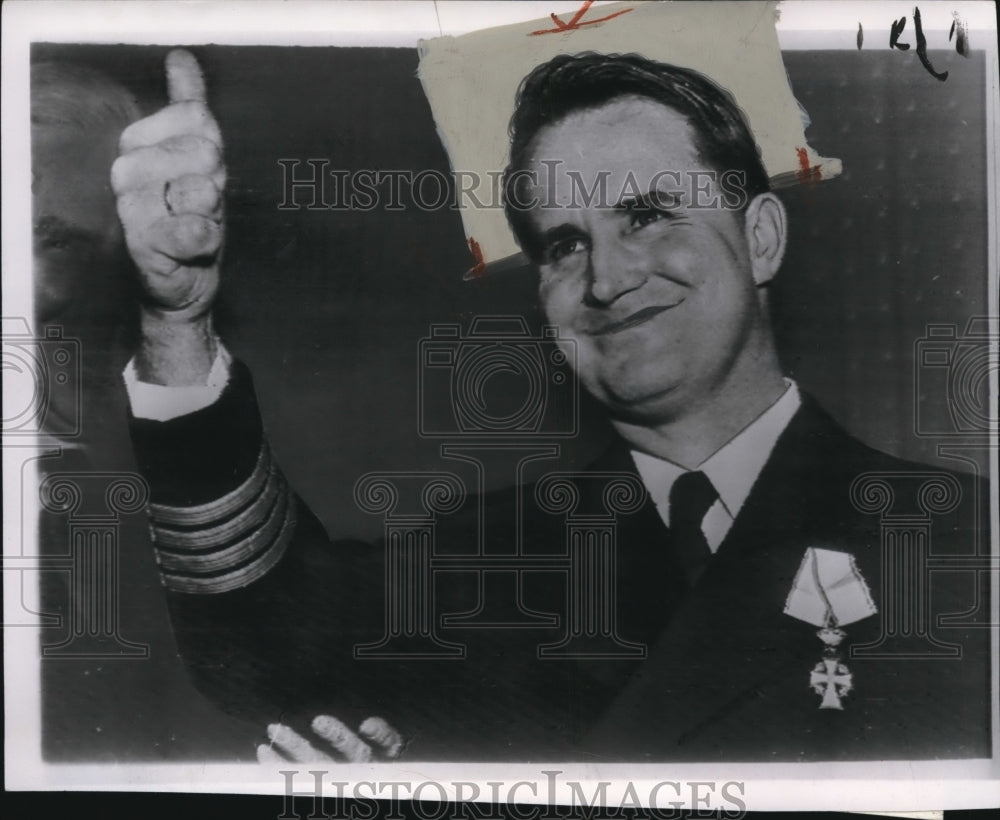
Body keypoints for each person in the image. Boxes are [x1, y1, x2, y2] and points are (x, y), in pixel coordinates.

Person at [112, 50, 989, 762]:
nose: (606, 278)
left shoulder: (964, 544)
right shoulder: (479, 569)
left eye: (647, 215)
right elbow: (261, 650)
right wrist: (177, 320)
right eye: (566, 244)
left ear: (760, 236)